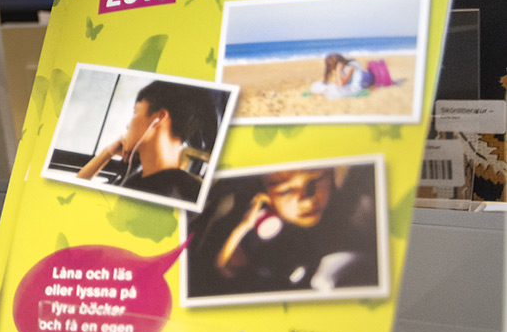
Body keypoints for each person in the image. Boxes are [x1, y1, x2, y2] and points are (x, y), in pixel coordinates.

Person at [213, 166, 376, 295]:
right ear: (267, 197)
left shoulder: (356, 213)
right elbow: (225, 267)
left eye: (315, 180)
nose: (307, 200)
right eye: (286, 190)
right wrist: (243, 227)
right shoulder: (264, 240)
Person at [74, 80, 221, 203]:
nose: (127, 125)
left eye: (135, 112)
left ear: (159, 118)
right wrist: (107, 153)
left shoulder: (179, 193)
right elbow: (74, 192)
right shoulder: (135, 179)